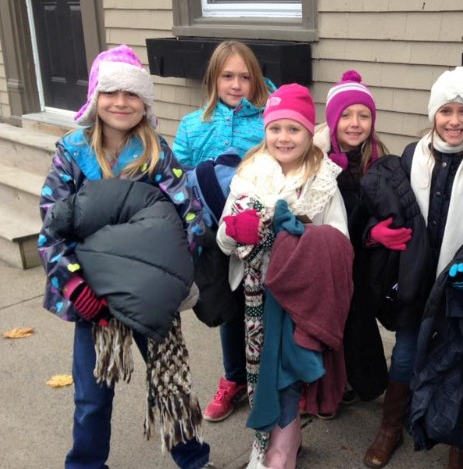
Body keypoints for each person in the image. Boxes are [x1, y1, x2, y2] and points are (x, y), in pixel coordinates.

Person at [37, 44, 213, 469]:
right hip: (92, 298)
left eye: (132, 94)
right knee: (92, 396)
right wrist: (75, 286)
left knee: (172, 383)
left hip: (149, 294)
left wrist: (167, 278)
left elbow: (188, 217)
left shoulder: (157, 155)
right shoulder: (71, 155)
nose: (121, 102)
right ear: (95, 98)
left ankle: (192, 459)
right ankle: (86, 463)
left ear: (144, 102)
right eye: (111, 92)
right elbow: (51, 229)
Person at [362, 66, 463, 469]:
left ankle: (459, 442)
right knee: (406, 354)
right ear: (433, 115)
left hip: (460, 284)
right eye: (446, 111)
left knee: (458, 358)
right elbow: (393, 210)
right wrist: (379, 232)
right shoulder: (413, 156)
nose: (454, 121)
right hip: (415, 279)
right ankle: (392, 426)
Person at [216, 83, 351, 469]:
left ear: (310, 133)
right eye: (275, 128)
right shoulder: (249, 174)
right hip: (259, 295)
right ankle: (268, 442)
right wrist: (236, 229)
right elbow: (225, 240)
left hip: (302, 295)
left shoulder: (322, 180)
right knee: (261, 372)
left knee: (291, 370)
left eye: (293, 128)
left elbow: (339, 241)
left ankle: (282, 447)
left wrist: (300, 233)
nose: (283, 137)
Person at [173, 40, 276, 423]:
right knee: (228, 309)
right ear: (213, 79)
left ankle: (273, 381)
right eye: (227, 76)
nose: (236, 84)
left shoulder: (268, 119)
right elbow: (178, 180)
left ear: (257, 80)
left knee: (270, 308)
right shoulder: (193, 125)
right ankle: (234, 378)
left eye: (245, 77)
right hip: (214, 236)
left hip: (261, 235)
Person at [312, 69, 390, 413]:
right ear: (332, 120)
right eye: (346, 115)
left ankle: (362, 381)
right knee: (326, 325)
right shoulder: (318, 162)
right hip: (327, 258)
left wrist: (373, 234)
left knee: (358, 324)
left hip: (364, 258)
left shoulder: (381, 161)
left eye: (363, 115)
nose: (355, 123)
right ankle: (328, 384)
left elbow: (383, 208)